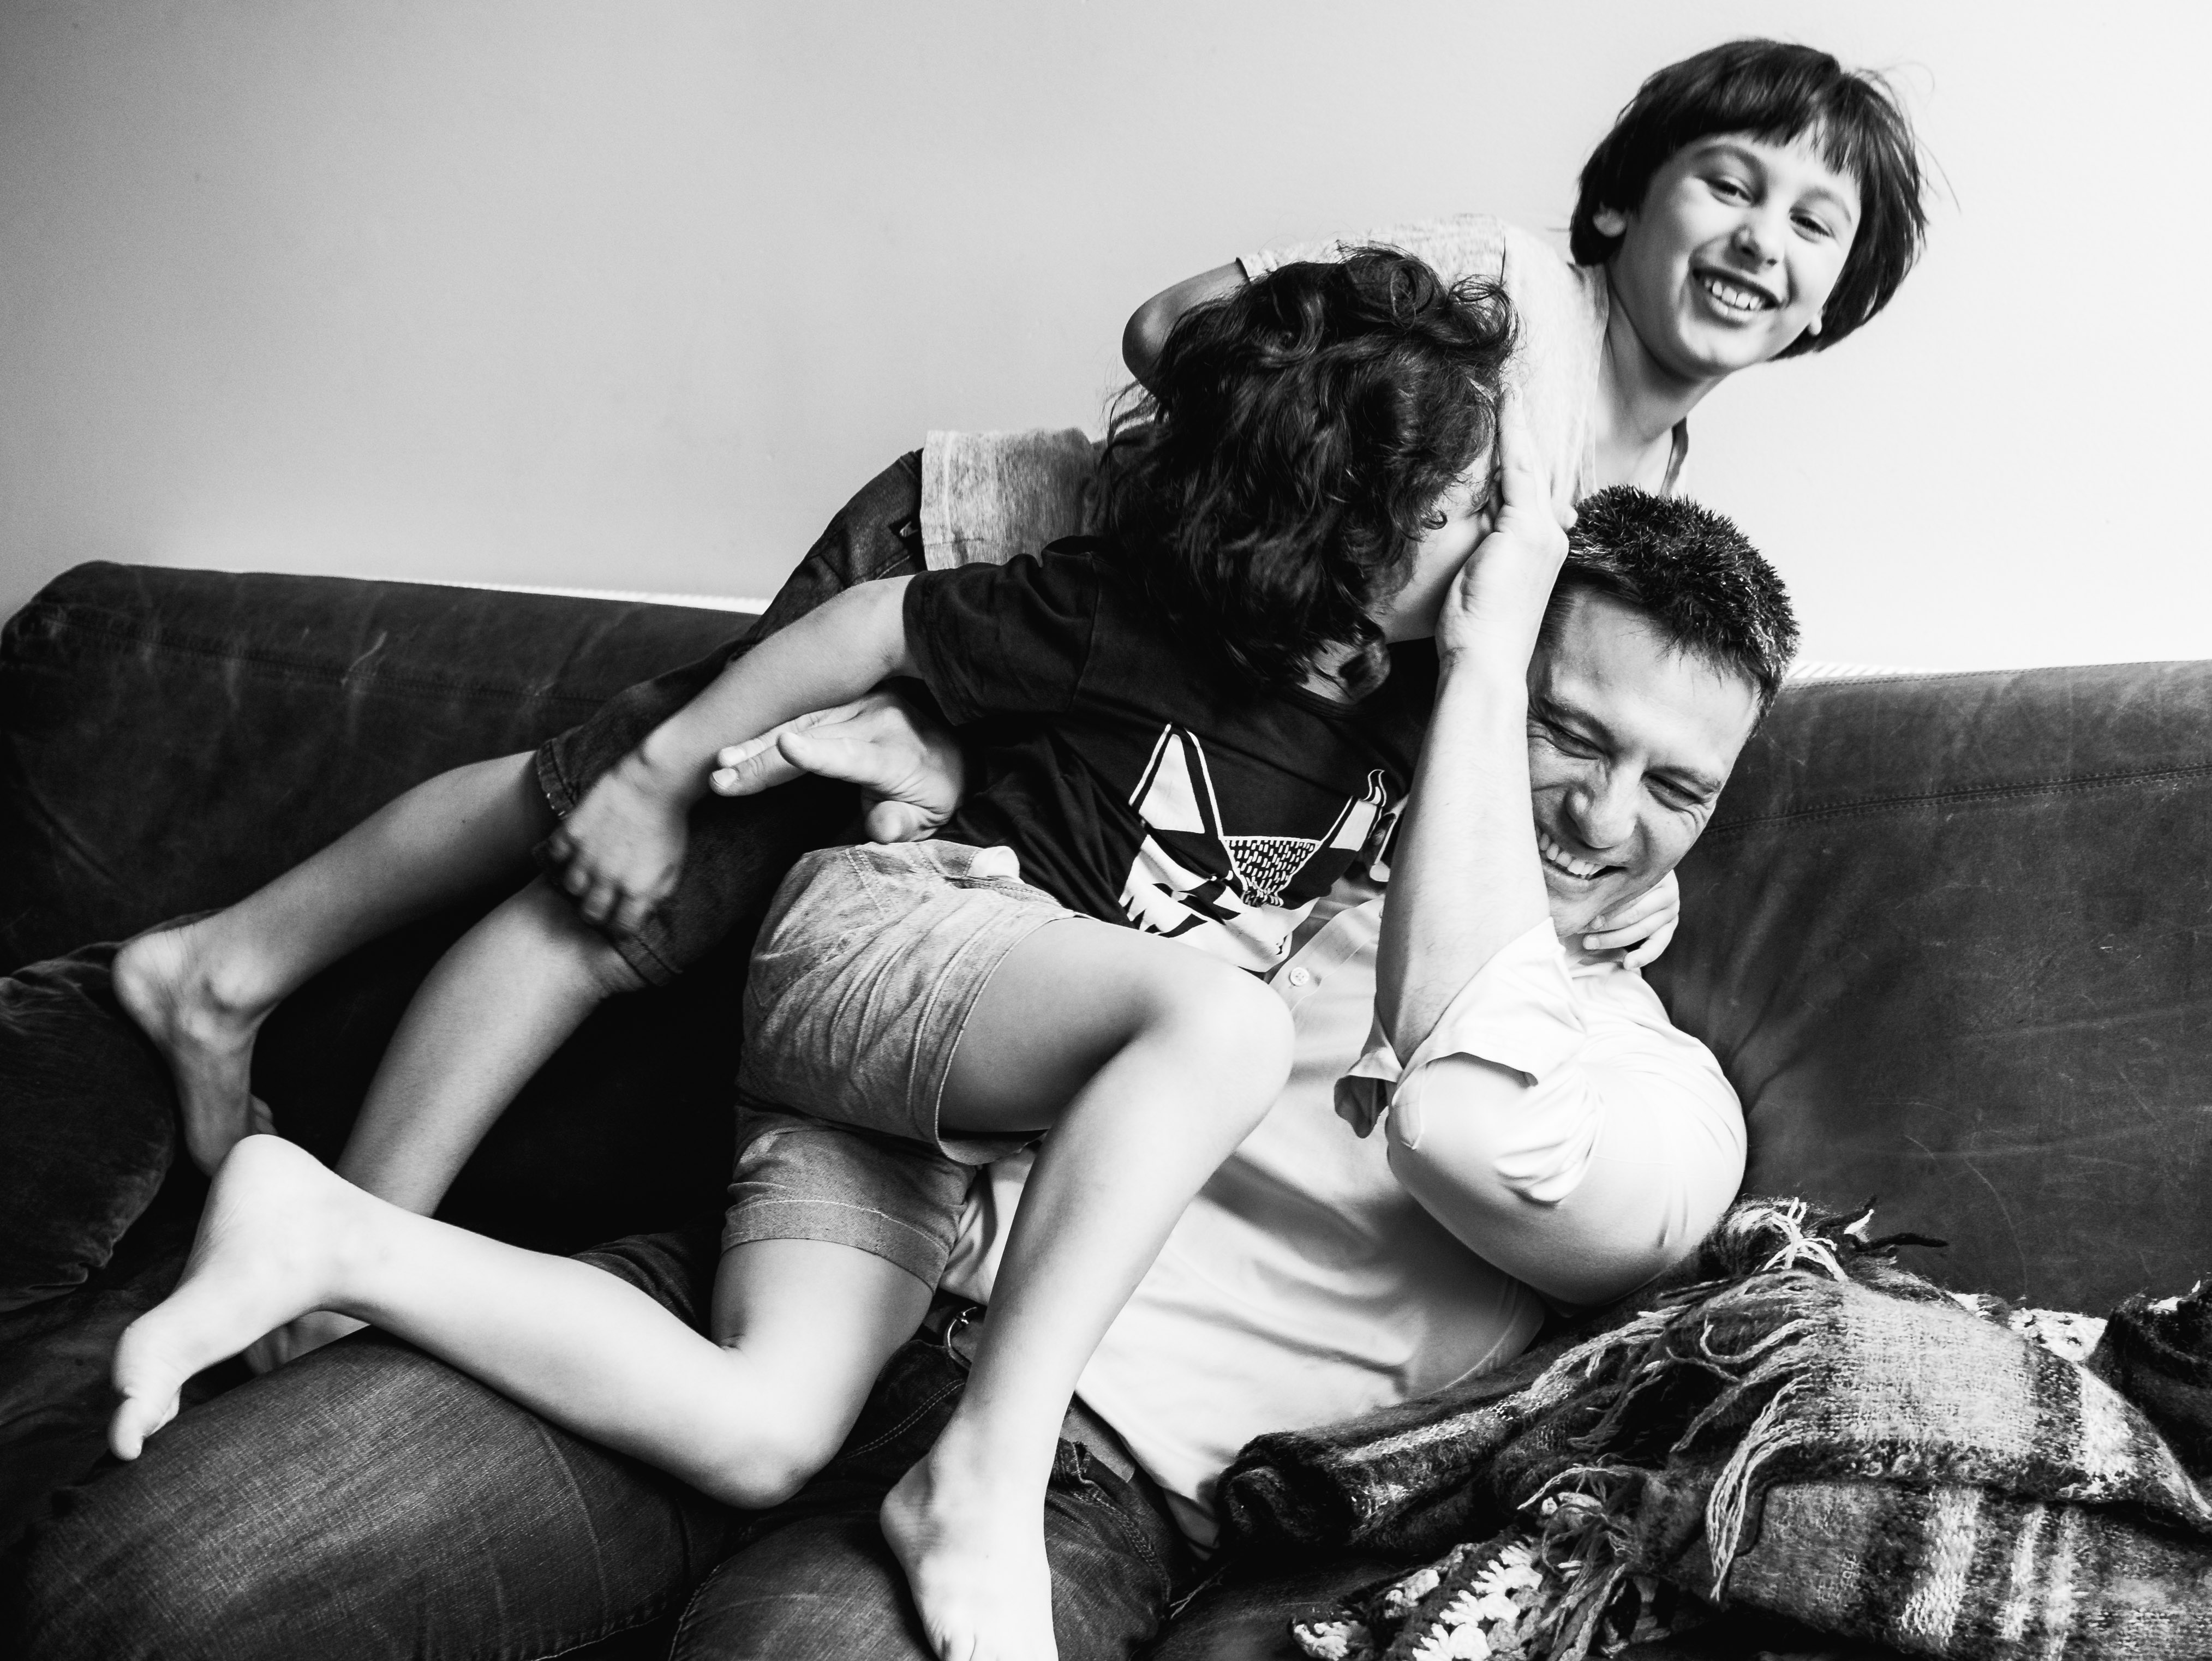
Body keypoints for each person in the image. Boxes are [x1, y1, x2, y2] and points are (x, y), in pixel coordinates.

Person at [7, 472, 1793, 1661]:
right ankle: (321, 1219)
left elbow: (1474, 1121)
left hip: (1077, 1475)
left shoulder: (1652, 1099)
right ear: (1464, 695)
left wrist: (1519, 824)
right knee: (155, 1583)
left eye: (1675, 785)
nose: (1602, 814)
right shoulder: (1256, 814)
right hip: (799, 1244)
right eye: (1563, 731)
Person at [937, 35, 1928, 565]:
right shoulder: (1504, 283)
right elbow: (1165, 328)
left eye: (1813, 225)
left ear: (1831, 299)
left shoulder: (1656, 482)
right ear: (1625, 199)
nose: (1761, 239)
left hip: (1085, 736)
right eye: (1729, 185)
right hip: (969, 554)